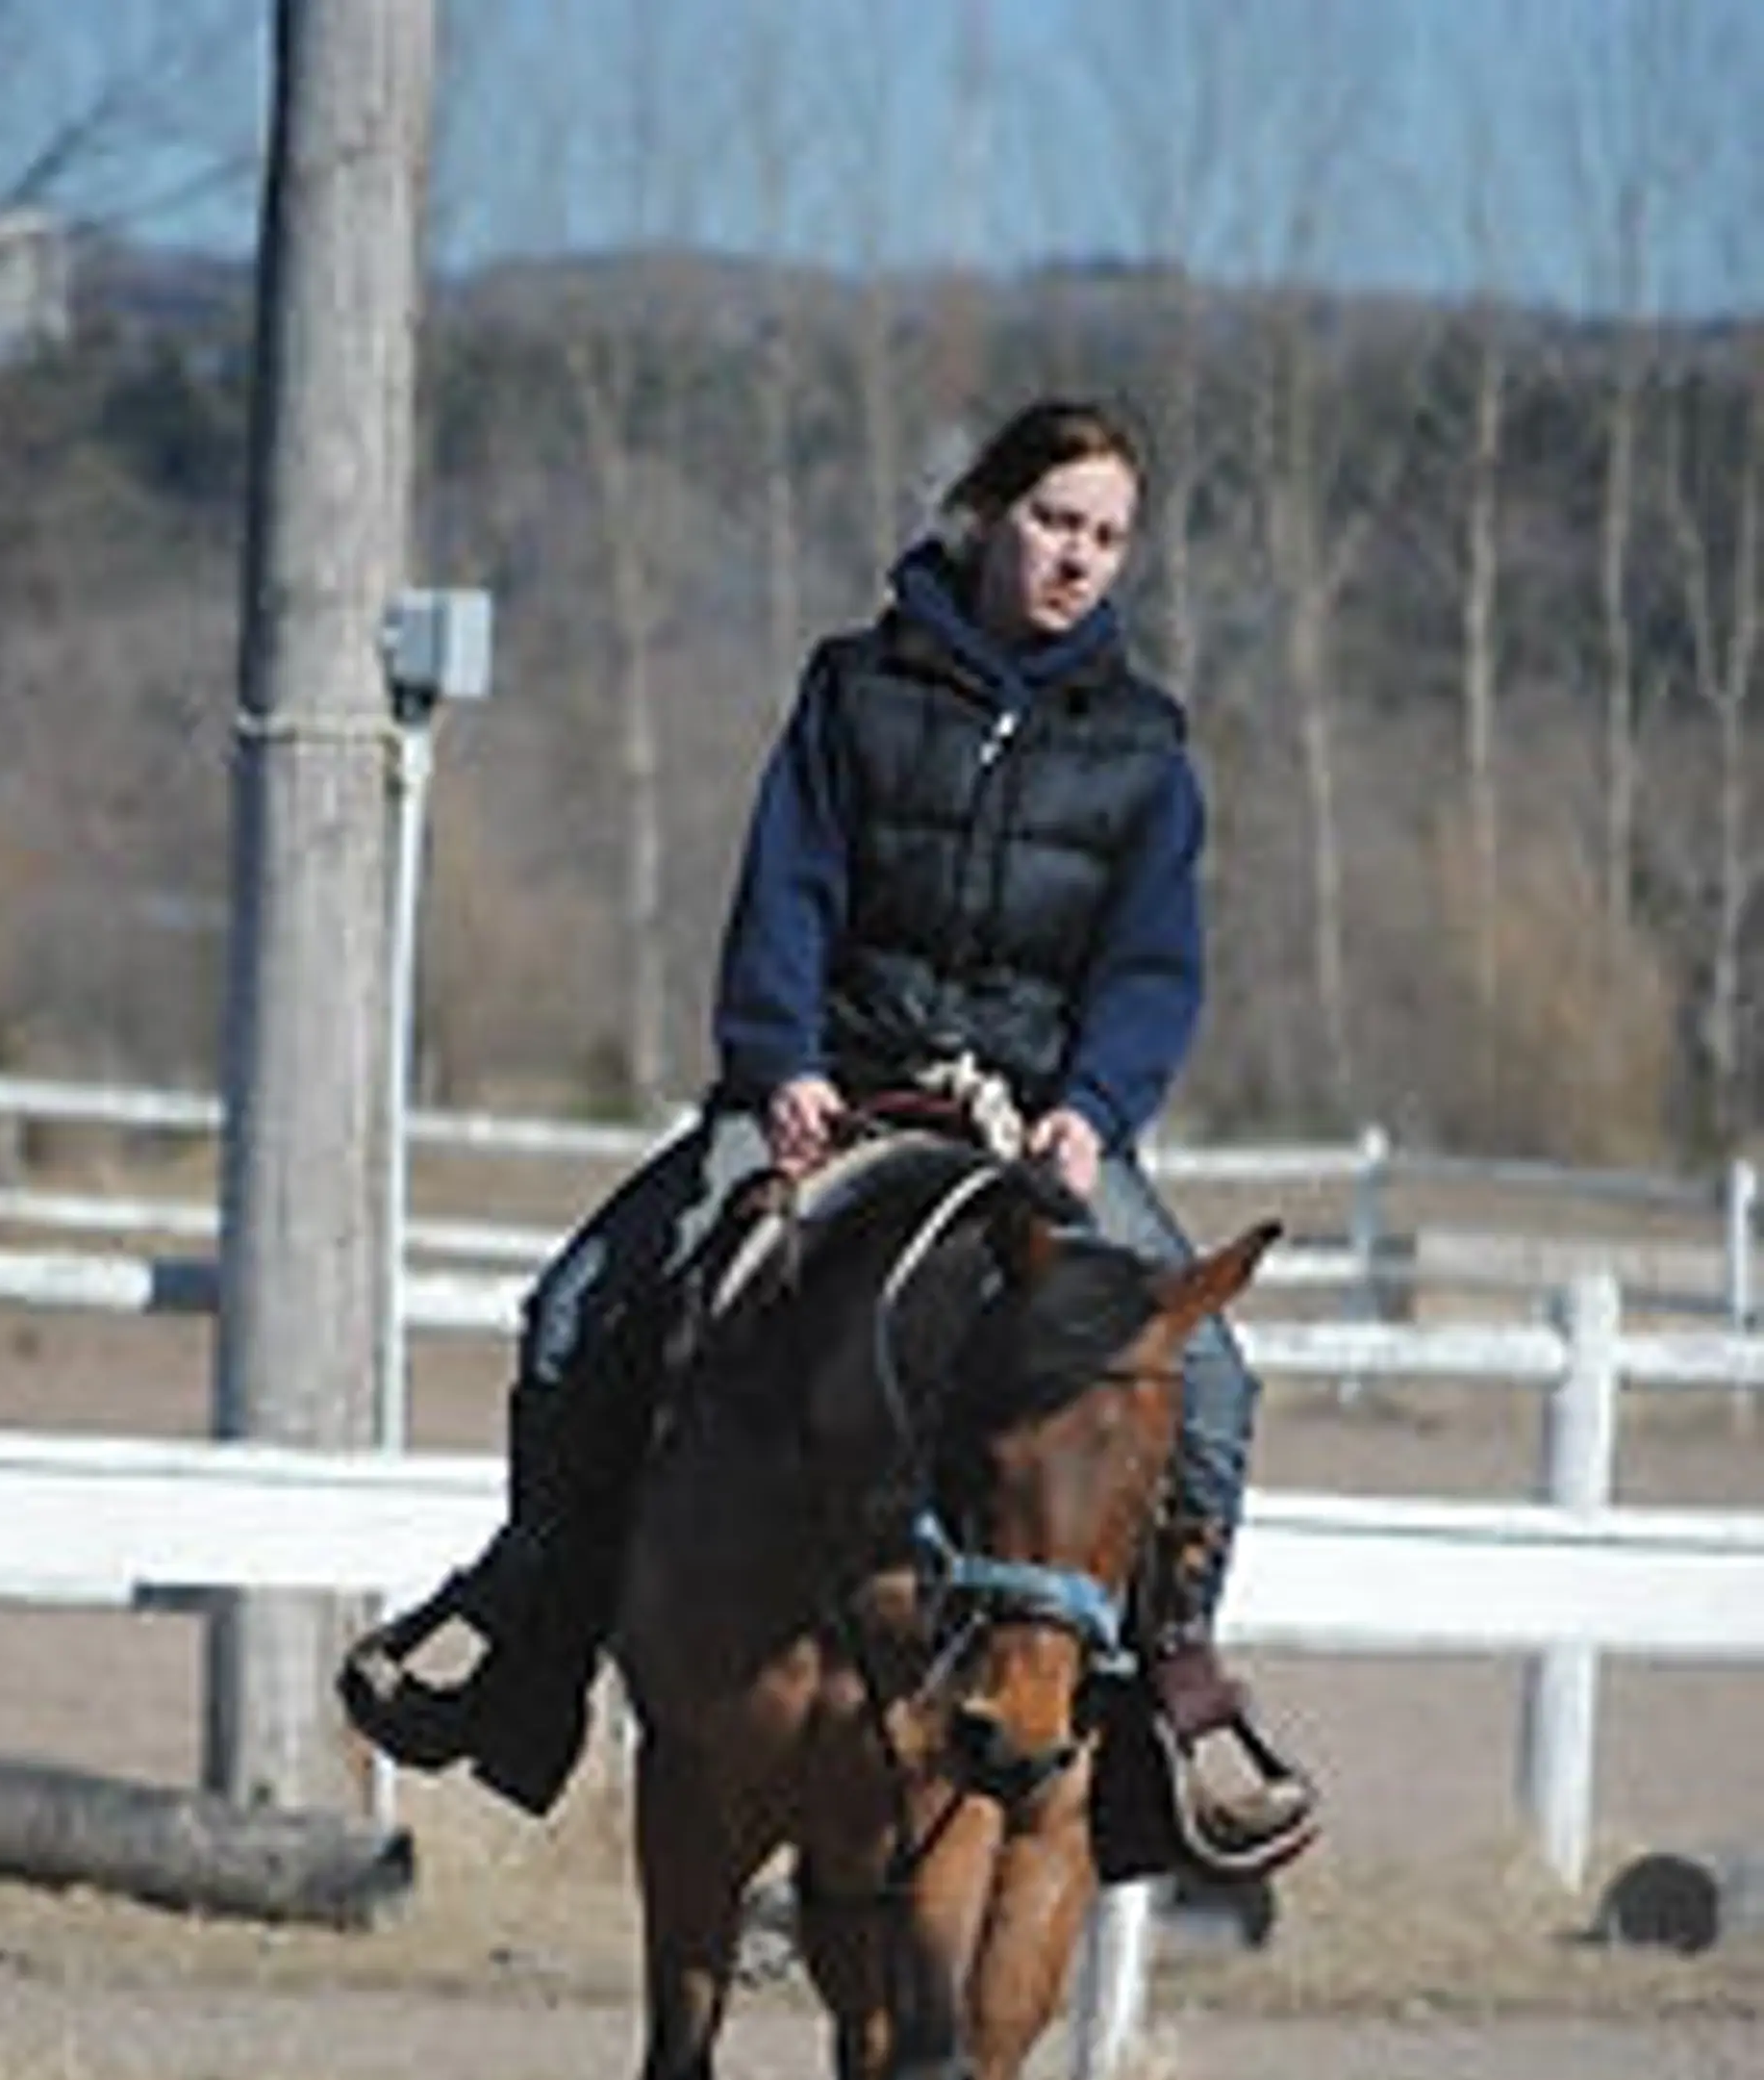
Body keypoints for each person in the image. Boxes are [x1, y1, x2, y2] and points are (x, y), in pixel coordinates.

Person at [341, 395, 1317, 1868]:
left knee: (1217, 1380)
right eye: (1057, 521)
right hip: (836, 1086)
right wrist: (779, 1061)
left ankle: (1163, 1690)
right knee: (573, 1314)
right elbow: (785, 893)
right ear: (990, 514)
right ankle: (530, 1635)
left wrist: (1090, 1114)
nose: (1078, 559)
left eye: (1108, 538)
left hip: (1037, 1128)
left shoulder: (1146, 747)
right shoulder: (855, 690)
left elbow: (1150, 966)